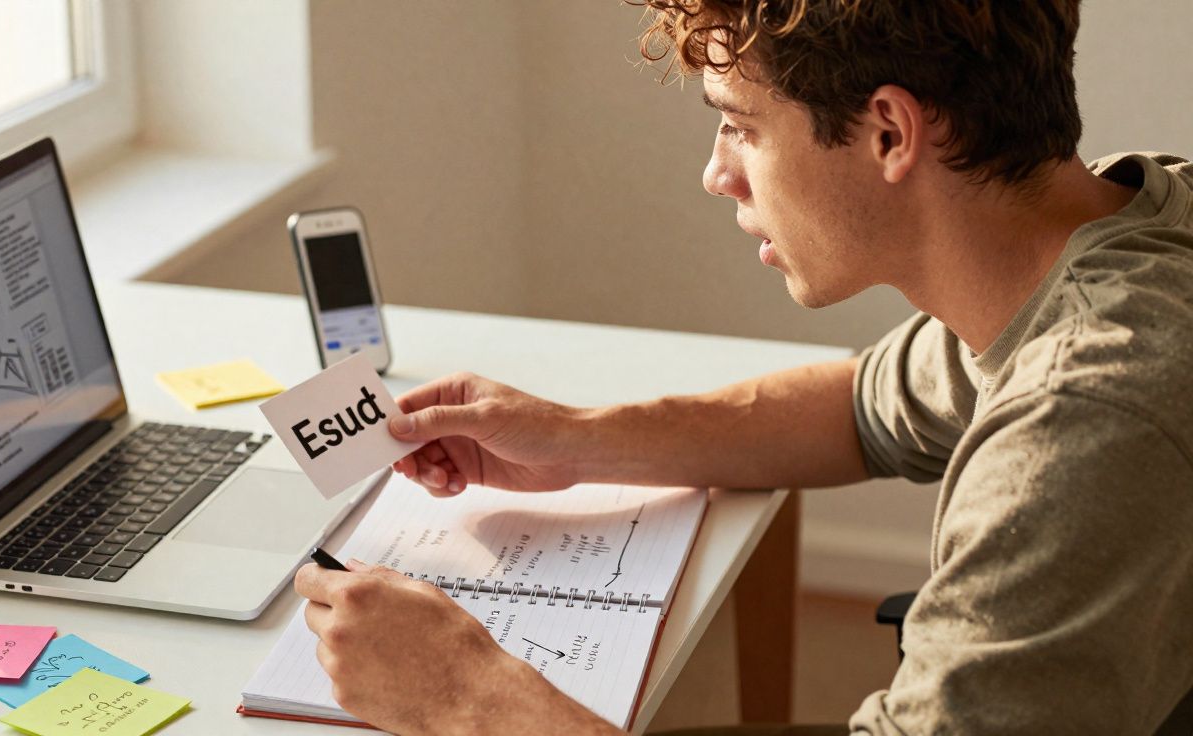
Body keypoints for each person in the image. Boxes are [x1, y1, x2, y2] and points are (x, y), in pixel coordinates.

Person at [293, 1, 1193, 733]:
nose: (717, 173)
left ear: (889, 133)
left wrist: (466, 697)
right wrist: (575, 439)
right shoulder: (1126, 222)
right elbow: (860, 410)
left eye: (739, 126)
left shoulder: (1088, 415)